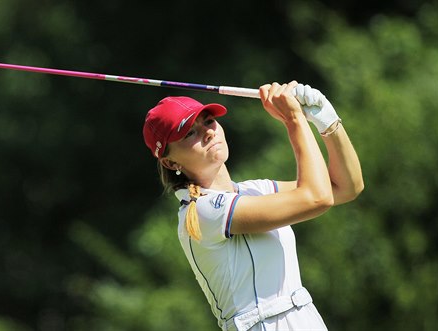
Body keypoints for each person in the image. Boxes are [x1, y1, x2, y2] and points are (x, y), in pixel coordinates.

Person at [142, 81, 364, 331]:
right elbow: (316, 198)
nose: (208, 132)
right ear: (171, 163)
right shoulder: (202, 211)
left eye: (208, 121)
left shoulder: (254, 190)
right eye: (189, 133)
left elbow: (344, 187)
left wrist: (327, 121)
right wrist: (294, 120)